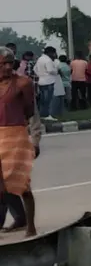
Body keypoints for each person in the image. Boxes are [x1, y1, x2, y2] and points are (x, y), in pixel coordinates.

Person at [0, 47, 38, 236]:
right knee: (2, 187)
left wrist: (36, 140)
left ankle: (30, 227)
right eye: (3, 63)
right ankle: (19, 220)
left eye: (10, 63)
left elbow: (31, 112)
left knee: (22, 185)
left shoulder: (23, 83)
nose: (7, 67)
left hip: (15, 136)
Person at [33, 46, 59, 119]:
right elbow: (50, 70)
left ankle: (43, 114)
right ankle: (49, 115)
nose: (54, 55)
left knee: (43, 99)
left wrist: (40, 75)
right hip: (49, 81)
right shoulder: (48, 60)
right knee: (49, 99)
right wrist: (56, 72)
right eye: (54, 53)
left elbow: (35, 69)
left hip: (41, 81)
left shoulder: (40, 59)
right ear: (50, 53)